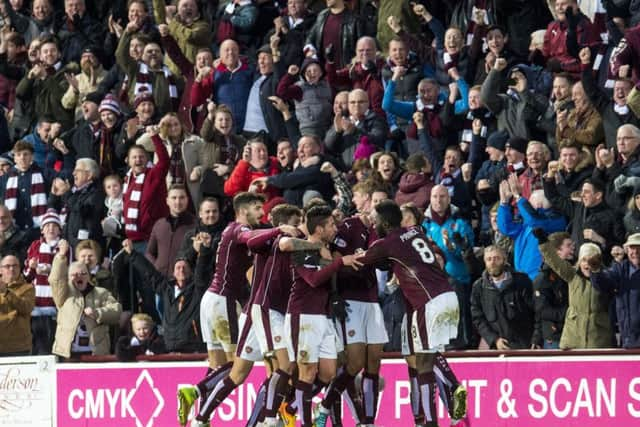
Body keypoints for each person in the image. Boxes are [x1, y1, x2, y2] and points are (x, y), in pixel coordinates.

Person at [355, 200, 468, 426]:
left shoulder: (386, 243)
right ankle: (431, 417)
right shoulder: (415, 231)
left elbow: (360, 260)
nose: (374, 224)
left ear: (385, 223)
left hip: (428, 303)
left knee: (424, 362)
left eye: (376, 221)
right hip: (448, 296)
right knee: (428, 356)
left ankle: (452, 391)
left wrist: (359, 252)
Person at [121, 230, 212, 353]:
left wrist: (204, 250)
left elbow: (202, 271)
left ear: (191, 271)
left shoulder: (197, 288)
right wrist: (132, 254)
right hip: (170, 346)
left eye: (185, 267)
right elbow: (150, 273)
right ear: (173, 273)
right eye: (178, 268)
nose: (181, 270)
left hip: (193, 347)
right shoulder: (166, 289)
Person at [536, 230, 614, 349]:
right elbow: (554, 261)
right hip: (572, 338)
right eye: (584, 259)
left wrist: (596, 272)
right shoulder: (572, 275)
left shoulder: (607, 277)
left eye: (592, 261)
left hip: (599, 338)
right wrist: (543, 242)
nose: (587, 264)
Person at [48, 239, 121, 358]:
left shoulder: (101, 290)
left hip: (96, 351)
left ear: (89, 276)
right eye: (74, 275)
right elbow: (56, 280)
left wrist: (97, 313)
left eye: (83, 274)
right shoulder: (64, 293)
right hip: (68, 353)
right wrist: (61, 256)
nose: (79, 276)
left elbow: (116, 310)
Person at [470, 245, 540, 349]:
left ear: (504, 260)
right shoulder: (479, 287)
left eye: (496, 258)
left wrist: (536, 338)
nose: (493, 262)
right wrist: (494, 339)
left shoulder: (522, 281)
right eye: (489, 259)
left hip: (525, 344)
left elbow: (537, 311)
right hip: (497, 347)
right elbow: (478, 318)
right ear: (485, 262)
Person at [589, 232, 640, 349]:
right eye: (632, 248)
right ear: (627, 250)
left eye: (639, 248)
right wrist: (596, 270)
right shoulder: (620, 269)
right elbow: (604, 284)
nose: (635, 252)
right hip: (628, 338)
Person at [24, 209, 62, 354]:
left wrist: (50, 269)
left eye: (54, 225)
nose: (50, 229)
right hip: (37, 302)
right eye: (47, 226)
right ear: (42, 230)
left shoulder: (63, 246)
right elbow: (27, 274)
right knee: (37, 341)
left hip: (55, 302)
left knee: (52, 339)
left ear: (59, 229)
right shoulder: (35, 246)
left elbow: (66, 271)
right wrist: (33, 267)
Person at [145, 184, 196, 277]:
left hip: (185, 284)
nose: (178, 201)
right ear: (167, 201)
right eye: (174, 198)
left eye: (182, 197)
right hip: (160, 283)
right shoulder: (160, 224)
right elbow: (149, 253)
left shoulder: (195, 226)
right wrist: (156, 267)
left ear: (187, 200)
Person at [533, 231, 573, 349]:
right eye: (568, 246)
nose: (573, 249)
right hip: (556, 338)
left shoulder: (574, 272)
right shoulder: (543, 279)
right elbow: (543, 311)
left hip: (574, 333)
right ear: (555, 252)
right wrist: (572, 313)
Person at [0, 253, 35, 356]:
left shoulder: (28, 288)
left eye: (15, 266)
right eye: (7, 266)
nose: (11, 269)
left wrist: (6, 292)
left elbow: (26, 308)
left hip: (18, 347)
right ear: (1, 270)